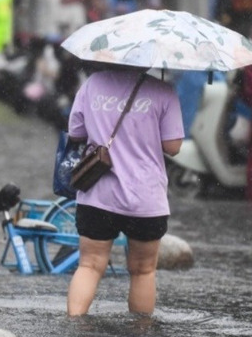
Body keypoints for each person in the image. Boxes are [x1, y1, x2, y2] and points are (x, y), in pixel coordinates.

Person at [66, 65, 184, 317]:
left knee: (89, 266)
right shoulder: (164, 91)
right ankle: (140, 332)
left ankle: (74, 325)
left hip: (97, 194)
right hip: (145, 199)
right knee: (143, 271)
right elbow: (173, 147)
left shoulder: (93, 83)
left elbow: (76, 132)